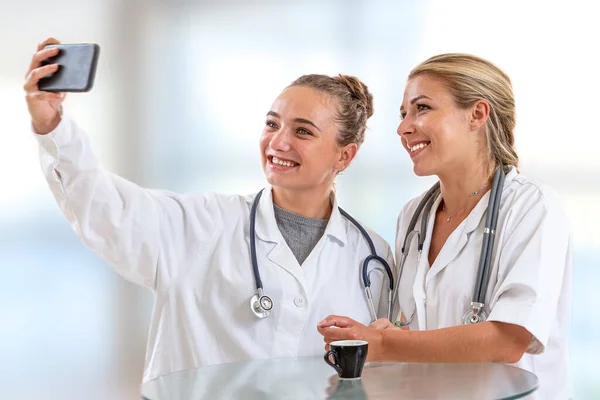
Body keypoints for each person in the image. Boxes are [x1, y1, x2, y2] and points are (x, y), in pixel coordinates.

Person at [24, 38, 394, 382]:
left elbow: (382, 364)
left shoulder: (373, 256)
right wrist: (52, 125)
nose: (278, 142)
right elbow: (105, 206)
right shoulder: (202, 224)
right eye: (272, 124)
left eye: (303, 131)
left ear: (345, 155)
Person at [318, 53, 573, 399]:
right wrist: (382, 334)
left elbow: (510, 339)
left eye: (422, 108)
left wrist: (387, 342)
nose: (404, 127)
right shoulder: (413, 216)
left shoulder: (531, 207)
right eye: (403, 113)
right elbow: (414, 331)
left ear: (477, 115)